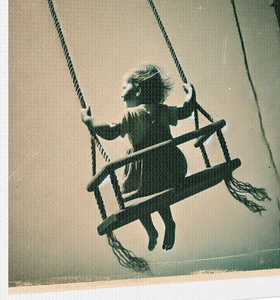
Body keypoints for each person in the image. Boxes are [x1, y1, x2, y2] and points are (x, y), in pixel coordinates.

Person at [81, 64, 196, 251]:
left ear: (137, 91)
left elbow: (110, 132)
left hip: (145, 172)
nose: (121, 94)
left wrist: (89, 121)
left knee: (136, 198)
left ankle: (151, 230)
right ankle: (168, 222)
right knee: (158, 191)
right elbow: (185, 111)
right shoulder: (163, 110)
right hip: (171, 167)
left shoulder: (131, 115)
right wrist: (191, 94)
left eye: (124, 87)